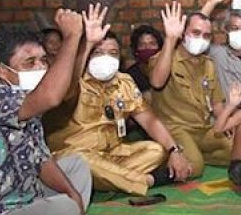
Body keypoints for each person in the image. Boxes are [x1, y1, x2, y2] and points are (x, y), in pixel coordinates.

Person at [0, 10, 102, 215]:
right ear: (2, 71)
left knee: (76, 167)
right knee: (63, 209)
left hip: (25, 199)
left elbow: (41, 160)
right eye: (29, 63)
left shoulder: (27, 103)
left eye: (43, 60)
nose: (41, 67)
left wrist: (72, 193)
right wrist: (73, 36)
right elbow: (54, 96)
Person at [46, 26, 193, 196]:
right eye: (98, 52)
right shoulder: (70, 82)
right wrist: (87, 44)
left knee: (156, 150)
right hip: (71, 155)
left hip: (112, 154)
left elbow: (149, 120)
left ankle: (105, 179)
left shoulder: (124, 82)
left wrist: (174, 150)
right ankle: (147, 181)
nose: (106, 58)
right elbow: (67, 90)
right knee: (82, 161)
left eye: (113, 53)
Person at [148, 1, 231, 177]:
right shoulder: (164, 58)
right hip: (176, 128)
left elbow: (216, 102)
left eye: (207, 35)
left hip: (203, 128)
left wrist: (227, 122)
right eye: (195, 33)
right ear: (183, 33)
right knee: (195, 167)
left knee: (238, 150)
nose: (201, 39)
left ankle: (195, 154)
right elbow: (156, 82)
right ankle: (169, 166)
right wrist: (170, 39)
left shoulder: (208, 64)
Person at [126, 24, 164, 94]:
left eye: (152, 44)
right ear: (136, 49)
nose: (147, 47)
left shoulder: (167, 70)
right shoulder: (130, 75)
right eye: (142, 45)